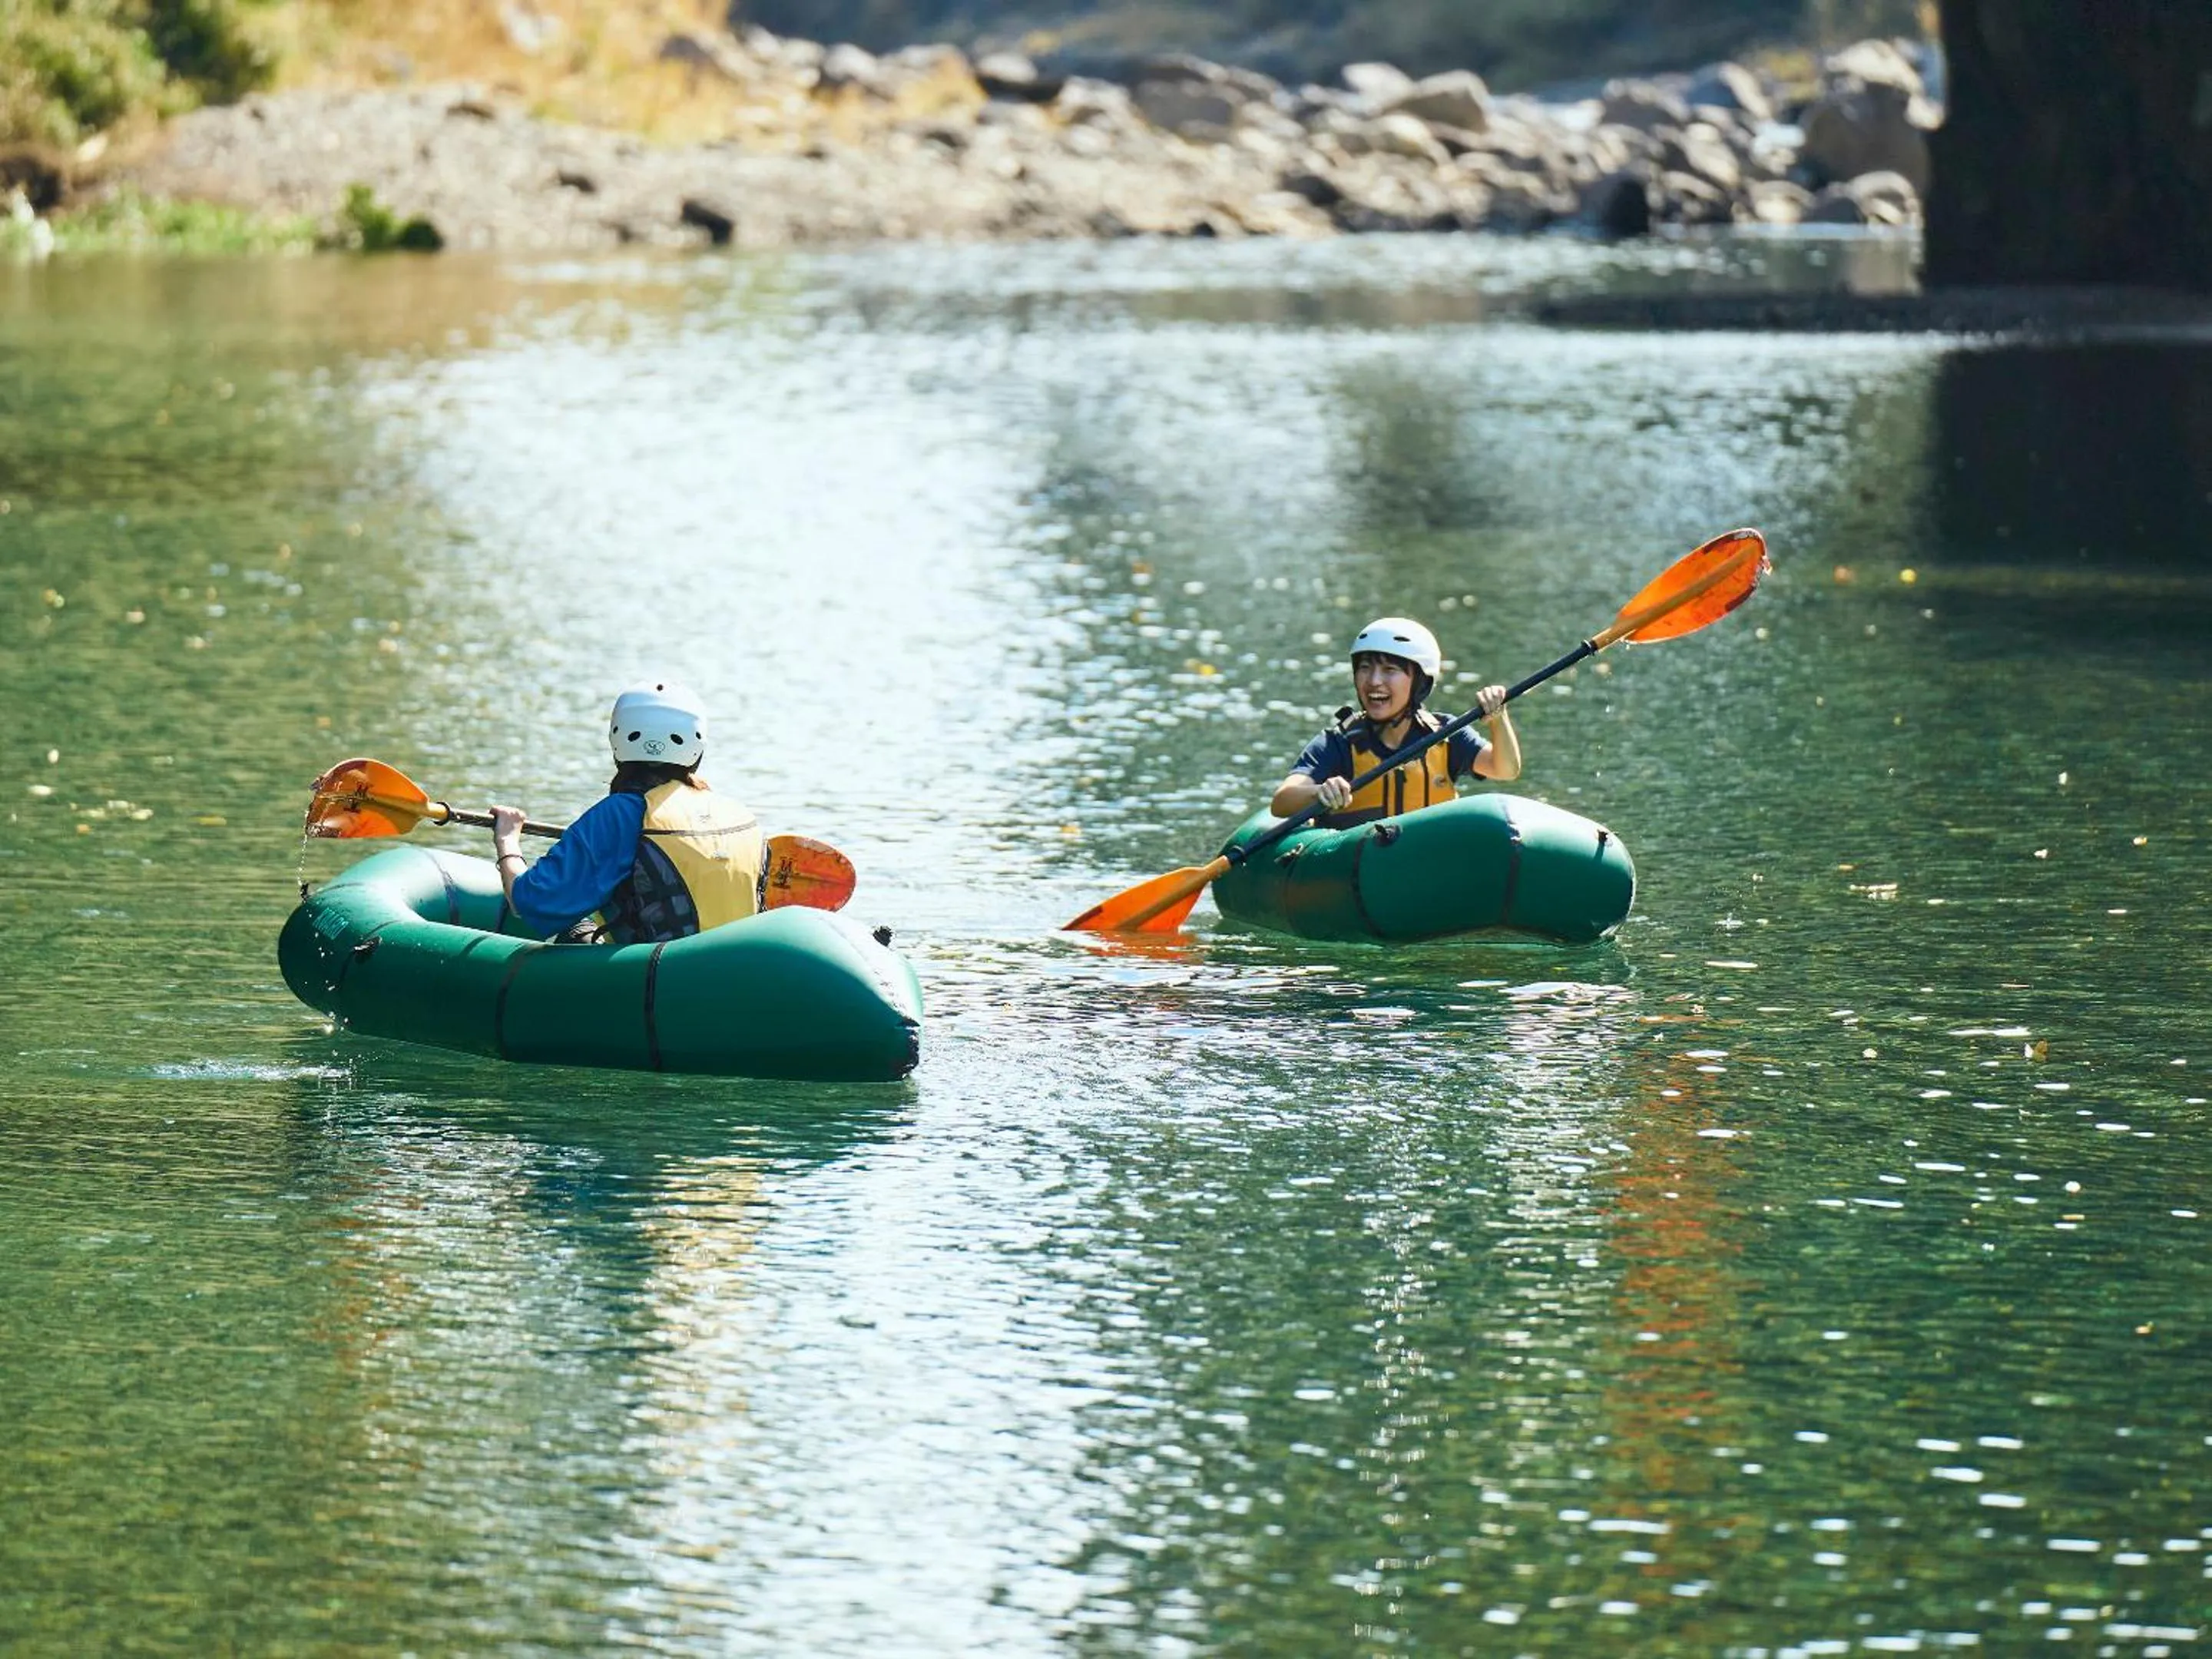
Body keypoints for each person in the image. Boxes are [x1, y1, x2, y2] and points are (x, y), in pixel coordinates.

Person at [487, 680, 765, 945]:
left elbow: (527, 902)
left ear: (617, 740)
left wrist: (507, 838)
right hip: (735, 977)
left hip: (659, 980)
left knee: (574, 930)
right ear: (698, 747)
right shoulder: (738, 814)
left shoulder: (620, 815)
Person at [1270, 617, 1521, 827]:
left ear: (1420, 683)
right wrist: (1319, 792)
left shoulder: (1446, 734)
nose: (1374, 681)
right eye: (1365, 668)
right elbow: (1282, 802)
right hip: (1357, 870)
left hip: (1429, 859)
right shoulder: (1337, 743)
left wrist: (1498, 720)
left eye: (1390, 670)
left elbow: (1506, 769)